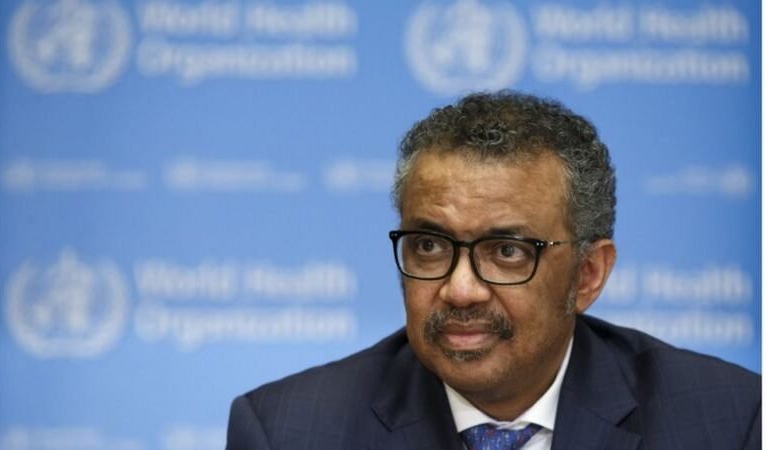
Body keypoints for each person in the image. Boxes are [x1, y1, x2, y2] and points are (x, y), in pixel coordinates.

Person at [226, 91, 760, 450]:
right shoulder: (290, 432)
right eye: (430, 246)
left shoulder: (728, 421)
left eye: (507, 251)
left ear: (588, 275)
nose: (460, 290)